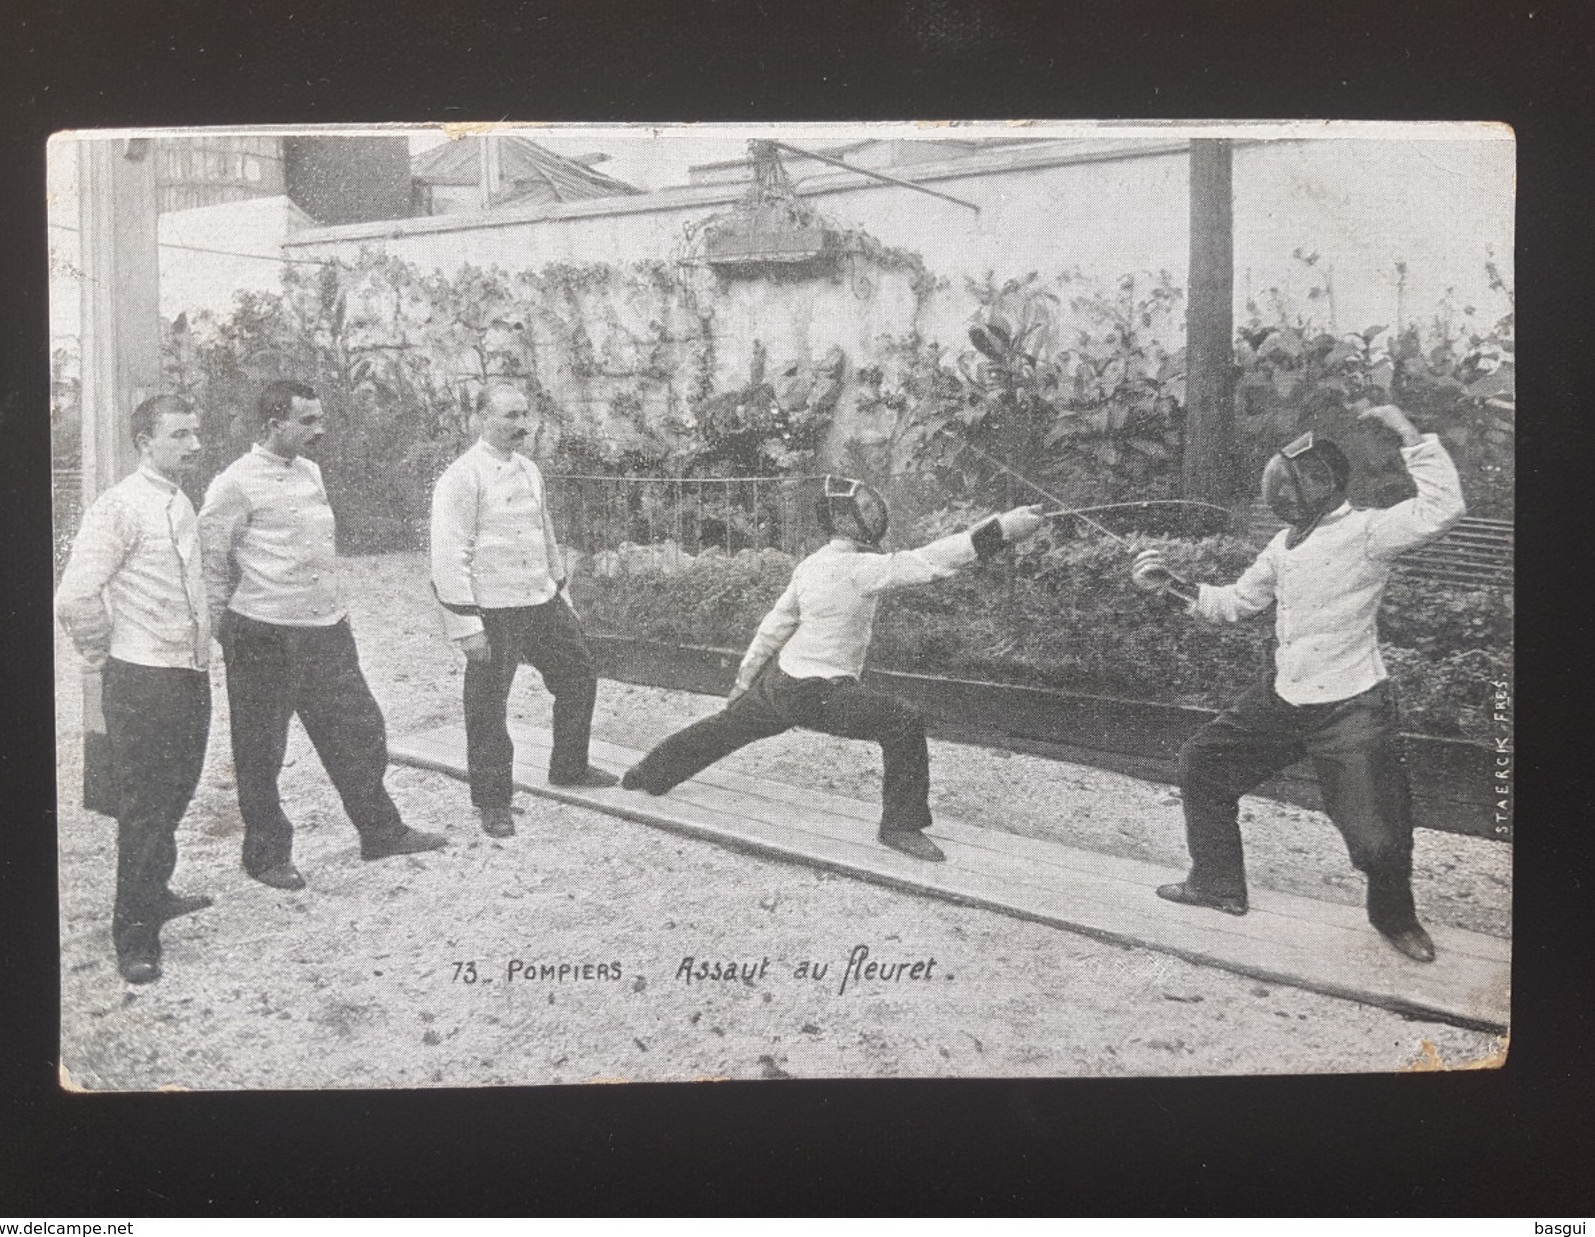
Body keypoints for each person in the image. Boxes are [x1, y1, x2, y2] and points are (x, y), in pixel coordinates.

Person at [1131, 404, 1466, 962]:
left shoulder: (1368, 531)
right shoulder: (1283, 544)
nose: (1280, 491)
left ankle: (1397, 921)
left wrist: (1409, 434)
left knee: (1377, 835)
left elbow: (1444, 506)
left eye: (1292, 482)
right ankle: (1217, 884)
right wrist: (1171, 585)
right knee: (1204, 763)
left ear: (1321, 484)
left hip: (1353, 706)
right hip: (1285, 695)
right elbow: (1237, 602)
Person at [620, 476, 1045, 861]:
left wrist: (744, 680)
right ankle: (900, 826)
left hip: (780, 681)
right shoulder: (863, 569)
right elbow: (934, 560)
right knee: (904, 723)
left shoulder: (812, 564)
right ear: (854, 523)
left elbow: (773, 628)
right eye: (868, 512)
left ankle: (647, 774)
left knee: (726, 727)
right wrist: (1004, 529)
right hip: (819, 693)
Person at [199, 380, 445, 891]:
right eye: (307, 421)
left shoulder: (310, 471)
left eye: (319, 418)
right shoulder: (234, 483)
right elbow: (211, 563)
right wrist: (224, 630)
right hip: (263, 634)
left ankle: (380, 831)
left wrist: (337, 612)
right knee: (261, 750)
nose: (320, 430)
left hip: (325, 630)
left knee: (361, 730)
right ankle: (265, 855)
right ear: (273, 424)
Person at [55, 395, 214, 983]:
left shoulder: (180, 497)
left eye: (195, 433)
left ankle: (158, 892)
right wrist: (104, 657)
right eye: (178, 435)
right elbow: (74, 596)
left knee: (178, 791)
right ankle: (135, 935)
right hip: (142, 679)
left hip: (188, 672)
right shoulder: (118, 506)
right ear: (144, 441)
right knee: (145, 808)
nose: (193, 445)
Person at [430, 383, 617, 838]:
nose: (521, 425)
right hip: (493, 608)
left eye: (524, 415)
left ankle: (570, 766)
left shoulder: (530, 470)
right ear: (481, 419)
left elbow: (544, 532)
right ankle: (493, 801)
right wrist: (466, 625)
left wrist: (558, 587)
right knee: (489, 704)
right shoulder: (462, 476)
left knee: (577, 674)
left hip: (540, 599)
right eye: (510, 416)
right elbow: (447, 554)